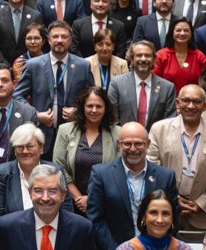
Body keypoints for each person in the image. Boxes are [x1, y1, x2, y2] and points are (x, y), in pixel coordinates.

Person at [147, 84, 206, 235]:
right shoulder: (159, 129)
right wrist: (174, 198)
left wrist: (201, 203)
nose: (191, 106)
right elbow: (152, 168)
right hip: (165, 213)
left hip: (204, 215)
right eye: (186, 100)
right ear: (177, 103)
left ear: (205, 105)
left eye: (197, 102)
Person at [15, 20, 91, 133]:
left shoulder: (83, 66)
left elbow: (92, 97)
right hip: (41, 132)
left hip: (73, 132)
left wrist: (79, 111)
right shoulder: (33, 65)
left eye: (64, 37)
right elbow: (17, 96)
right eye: (55, 36)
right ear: (49, 40)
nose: (59, 40)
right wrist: (35, 114)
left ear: (70, 41)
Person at [52, 85, 117, 216]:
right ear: (82, 107)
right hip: (71, 204)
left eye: (99, 106)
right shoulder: (65, 130)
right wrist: (78, 198)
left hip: (106, 203)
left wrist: (92, 199)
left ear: (106, 109)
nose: (94, 110)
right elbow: (59, 167)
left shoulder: (117, 133)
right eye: (90, 106)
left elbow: (118, 171)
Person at [108, 41, 175, 129]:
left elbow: (169, 123)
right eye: (139, 55)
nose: (143, 59)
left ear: (154, 59)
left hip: (155, 141)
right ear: (132, 59)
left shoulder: (167, 88)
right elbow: (113, 120)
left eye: (147, 55)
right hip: (124, 140)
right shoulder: (117, 84)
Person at [152, 18, 206, 90]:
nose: (182, 33)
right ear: (172, 32)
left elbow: (205, 81)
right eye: (178, 30)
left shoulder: (199, 56)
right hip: (166, 99)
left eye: (186, 31)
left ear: (191, 34)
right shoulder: (161, 55)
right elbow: (154, 81)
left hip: (192, 99)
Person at [82, 25, 127, 92]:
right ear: (95, 46)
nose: (104, 48)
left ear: (113, 46)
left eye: (108, 44)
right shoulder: (86, 63)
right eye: (100, 44)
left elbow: (125, 90)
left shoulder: (122, 64)